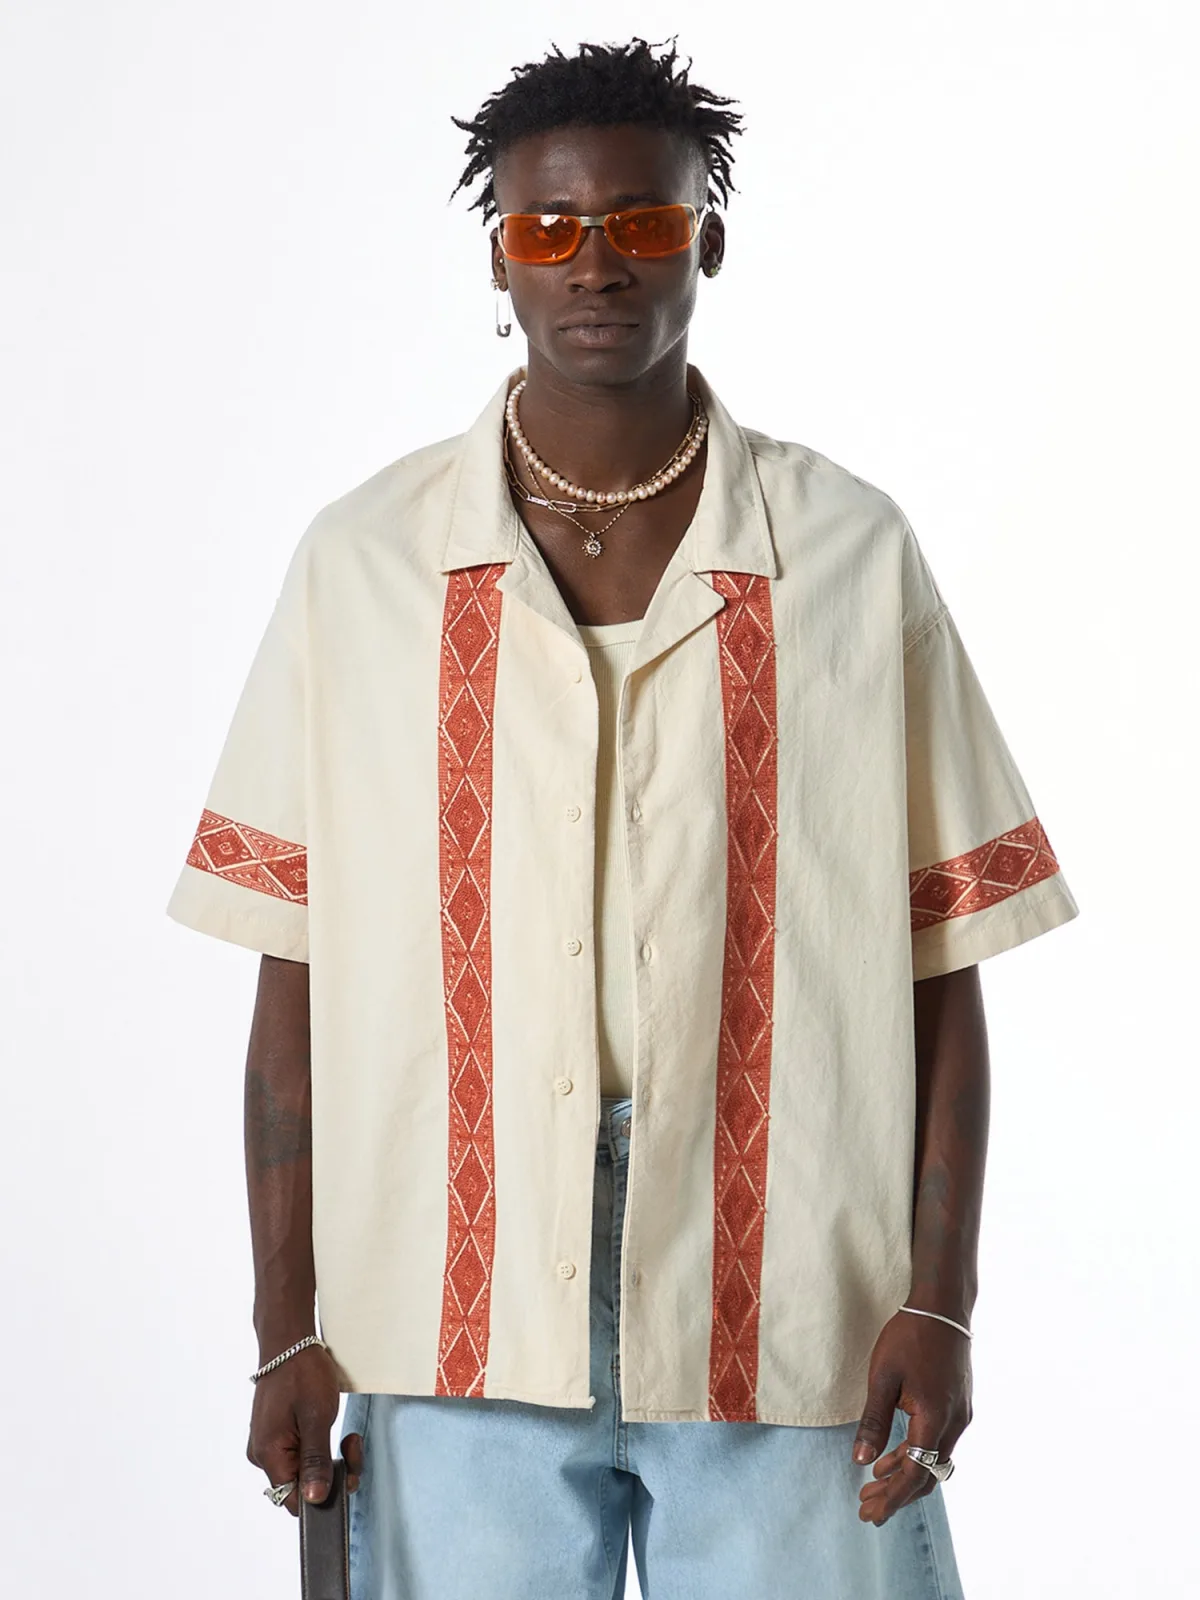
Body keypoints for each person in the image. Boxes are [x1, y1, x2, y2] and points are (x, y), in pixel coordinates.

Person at [165, 36, 1079, 1600]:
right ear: (499, 257)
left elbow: (940, 969)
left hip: (793, 1298)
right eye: (549, 227)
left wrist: (942, 1299)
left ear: (706, 242)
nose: (597, 265)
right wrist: (284, 1328)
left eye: (645, 222)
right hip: (447, 1309)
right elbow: (292, 979)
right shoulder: (365, 568)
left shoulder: (849, 553)